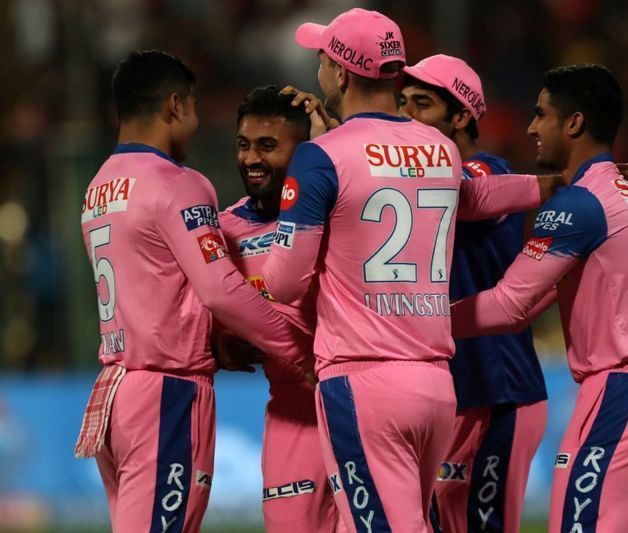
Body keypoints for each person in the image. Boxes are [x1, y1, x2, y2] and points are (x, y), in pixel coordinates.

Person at [261, 8, 559, 532]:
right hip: (436, 386)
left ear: (343, 73)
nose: (318, 71)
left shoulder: (319, 157)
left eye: (321, 60)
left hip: (361, 380)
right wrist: (553, 184)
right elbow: (477, 197)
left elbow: (285, 282)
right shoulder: (441, 150)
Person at [451, 64, 628, 533]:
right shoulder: (615, 192)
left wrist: (423, 319)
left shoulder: (576, 206)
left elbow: (509, 305)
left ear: (574, 123)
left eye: (542, 115)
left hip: (622, 391)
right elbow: (545, 295)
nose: (531, 128)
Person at [74, 50, 309, 533]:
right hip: (167, 393)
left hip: (116, 390)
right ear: (175, 105)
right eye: (196, 108)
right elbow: (221, 290)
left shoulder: (99, 187)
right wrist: (297, 350)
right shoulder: (180, 183)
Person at [399, 55, 548, 533]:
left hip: (499, 391)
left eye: (421, 104)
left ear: (462, 116)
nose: (406, 117)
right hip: (451, 390)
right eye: (401, 104)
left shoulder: (489, 169)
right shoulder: (402, 182)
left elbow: (454, 193)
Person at [216, 85, 341, 532]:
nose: (251, 159)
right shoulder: (224, 228)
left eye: (268, 146)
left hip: (356, 392)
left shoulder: (339, 211)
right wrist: (217, 341)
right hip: (290, 408)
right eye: (244, 144)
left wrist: (334, 140)